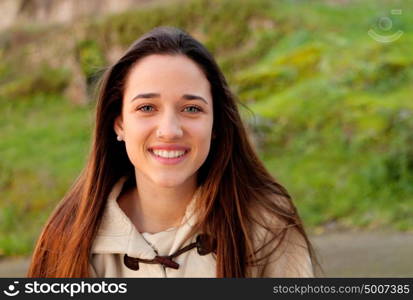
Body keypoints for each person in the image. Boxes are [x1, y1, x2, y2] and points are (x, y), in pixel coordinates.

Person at [28, 26, 316, 278]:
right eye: (146, 108)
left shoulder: (266, 225)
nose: (169, 130)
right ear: (119, 124)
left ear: (215, 124)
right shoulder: (67, 240)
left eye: (191, 109)